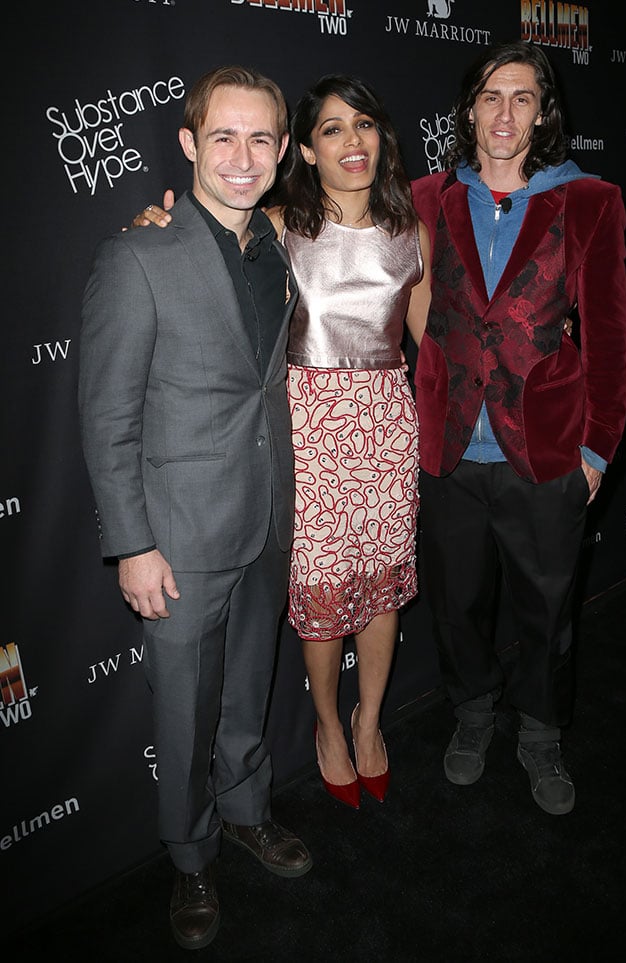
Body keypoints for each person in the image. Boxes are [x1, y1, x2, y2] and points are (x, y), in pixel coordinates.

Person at [132, 74, 432, 811]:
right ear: (305, 146)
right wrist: (156, 227)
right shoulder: (276, 223)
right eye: (331, 129)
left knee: (384, 586)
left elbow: (436, 346)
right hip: (310, 428)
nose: (352, 142)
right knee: (325, 593)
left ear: (382, 138)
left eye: (364, 125)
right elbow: (202, 242)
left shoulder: (414, 232)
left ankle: (369, 721)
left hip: (388, 424)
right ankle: (329, 726)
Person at [78, 66, 312, 953]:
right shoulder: (138, 252)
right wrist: (133, 544)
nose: (243, 156)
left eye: (261, 139)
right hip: (177, 533)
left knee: (248, 685)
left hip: (264, 517)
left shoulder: (275, 249)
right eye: (223, 136)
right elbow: (107, 415)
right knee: (183, 709)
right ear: (188, 144)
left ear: (283, 150)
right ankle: (189, 855)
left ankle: (248, 811)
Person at [410, 41, 626, 815]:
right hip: (448, 448)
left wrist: (598, 447)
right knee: (456, 602)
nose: (505, 113)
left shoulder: (592, 201)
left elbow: (608, 334)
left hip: (547, 450)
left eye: (523, 98)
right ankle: (473, 713)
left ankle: (539, 732)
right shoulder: (427, 197)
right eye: (491, 96)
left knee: (546, 608)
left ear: (544, 113)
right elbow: (331, 227)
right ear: (469, 107)